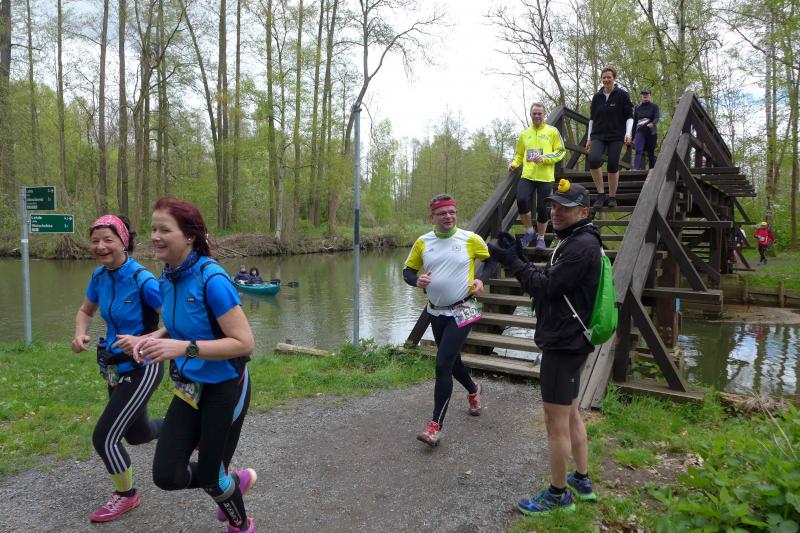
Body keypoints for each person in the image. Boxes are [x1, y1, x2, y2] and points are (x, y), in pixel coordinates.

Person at [132, 197, 257, 533]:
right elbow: (183, 323)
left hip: (226, 386)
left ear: (189, 236)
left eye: (164, 230)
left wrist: (182, 348)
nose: (154, 236)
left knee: (212, 476)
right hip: (190, 388)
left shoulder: (212, 279)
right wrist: (154, 337)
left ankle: (241, 525)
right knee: (166, 475)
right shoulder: (167, 276)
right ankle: (233, 483)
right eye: (153, 229)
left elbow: (244, 343)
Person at [487, 179, 600, 515]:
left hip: (563, 343)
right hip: (573, 339)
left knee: (555, 422)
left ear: (583, 212)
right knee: (572, 413)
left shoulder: (580, 246)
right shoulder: (578, 240)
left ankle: (558, 495)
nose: (556, 212)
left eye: (565, 208)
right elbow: (554, 282)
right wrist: (521, 256)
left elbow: (544, 288)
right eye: (554, 206)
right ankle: (582, 479)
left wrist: (512, 261)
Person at [70, 214, 164, 523]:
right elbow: (86, 311)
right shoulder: (99, 276)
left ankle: (127, 495)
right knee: (137, 434)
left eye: (108, 239)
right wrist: (80, 333)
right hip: (113, 367)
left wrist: (143, 339)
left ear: (124, 242)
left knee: (105, 436)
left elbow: (177, 322)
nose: (100, 246)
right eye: (95, 240)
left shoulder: (142, 279)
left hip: (143, 365)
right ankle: (192, 430)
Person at [403, 193, 496, 447]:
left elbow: (490, 261)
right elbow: (407, 271)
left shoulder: (470, 238)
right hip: (436, 311)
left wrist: (481, 280)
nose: (448, 216)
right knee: (452, 361)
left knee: (442, 364)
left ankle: (435, 427)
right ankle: (474, 390)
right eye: (442, 213)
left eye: (452, 212)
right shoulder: (423, 242)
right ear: (432, 217)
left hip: (464, 308)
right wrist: (417, 280)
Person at [509, 102, 566, 251]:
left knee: (542, 207)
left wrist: (545, 158)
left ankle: (541, 238)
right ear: (530, 115)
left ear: (544, 114)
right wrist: (514, 164)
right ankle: (529, 231)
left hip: (545, 176)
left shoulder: (552, 131)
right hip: (527, 175)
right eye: (534, 113)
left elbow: (561, 151)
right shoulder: (524, 134)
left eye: (540, 113)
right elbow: (519, 154)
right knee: (521, 200)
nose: (537, 116)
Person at [586, 65, 634, 209]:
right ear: (602, 79)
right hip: (598, 134)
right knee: (593, 159)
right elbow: (592, 119)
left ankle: (612, 196)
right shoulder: (597, 97)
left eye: (609, 77)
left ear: (614, 78)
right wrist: (589, 138)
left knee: (613, 164)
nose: (606, 80)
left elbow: (629, 116)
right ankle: (601, 194)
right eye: (604, 77)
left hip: (616, 135)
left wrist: (628, 132)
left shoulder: (622, 95)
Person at [633, 88, 659, 170]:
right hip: (640, 131)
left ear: (650, 96)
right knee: (638, 150)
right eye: (643, 94)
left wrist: (653, 123)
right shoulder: (637, 107)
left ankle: (652, 170)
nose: (645, 95)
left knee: (651, 152)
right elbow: (635, 122)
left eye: (647, 94)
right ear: (641, 96)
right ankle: (636, 169)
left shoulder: (654, 106)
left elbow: (657, 117)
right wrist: (633, 136)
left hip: (651, 132)